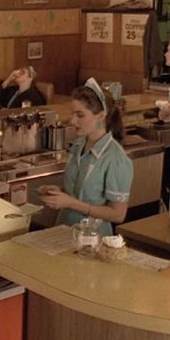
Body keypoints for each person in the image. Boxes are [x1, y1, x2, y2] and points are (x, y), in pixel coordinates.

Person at [38, 78, 133, 235]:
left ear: (101, 116)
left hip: (93, 238)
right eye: (72, 114)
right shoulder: (78, 144)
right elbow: (83, 191)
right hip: (64, 231)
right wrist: (59, 192)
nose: (73, 120)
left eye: (80, 115)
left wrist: (71, 203)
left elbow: (118, 214)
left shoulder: (115, 159)